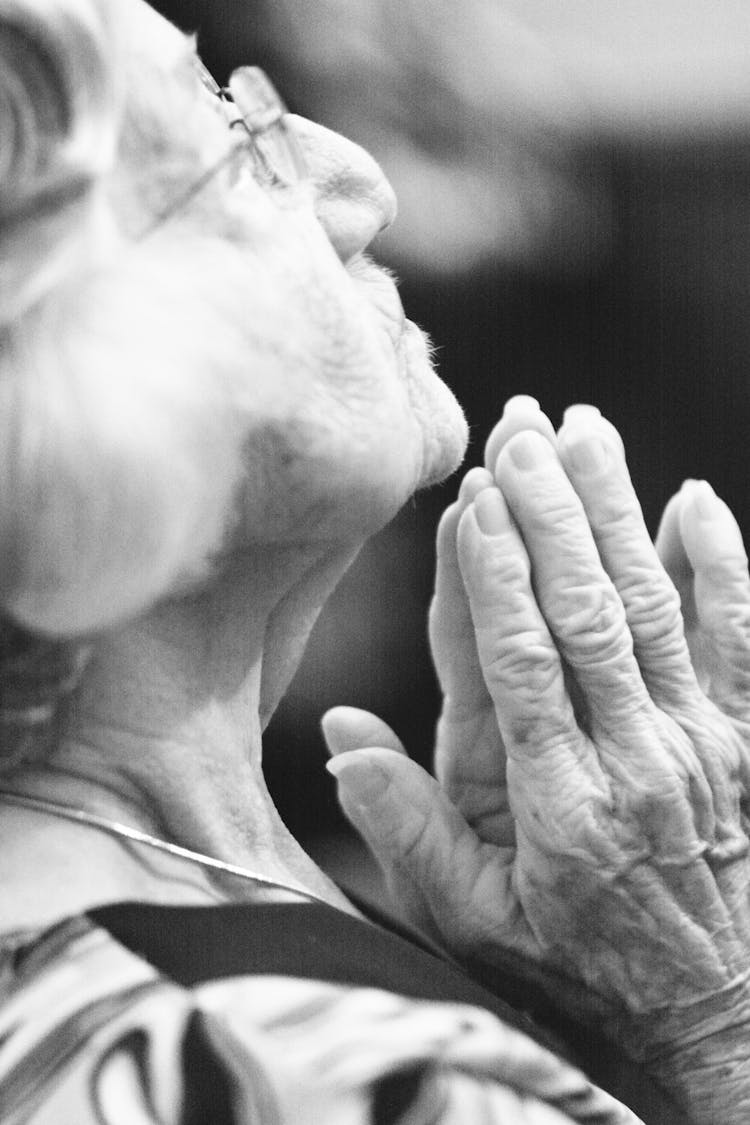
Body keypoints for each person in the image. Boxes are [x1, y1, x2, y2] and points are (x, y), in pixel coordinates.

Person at [0, 3, 748, 1124]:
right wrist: (709, 1029)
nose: (361, 184)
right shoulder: (297, 1068)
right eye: (233, 135)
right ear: (66, 374)